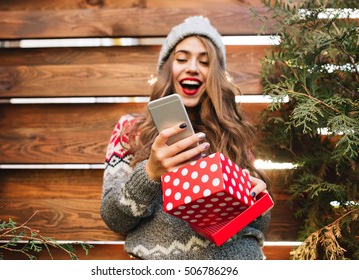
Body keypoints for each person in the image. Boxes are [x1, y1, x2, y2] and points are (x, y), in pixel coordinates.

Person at [100, 15, 271, 260]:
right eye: (182, 58)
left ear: (215, 75)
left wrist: (253, 199)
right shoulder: (131, 130)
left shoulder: (232, 132)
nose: (192, 67)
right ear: (168, 67)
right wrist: (150, 173)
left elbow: (260, 226)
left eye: (205, 62)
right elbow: (114, 218)